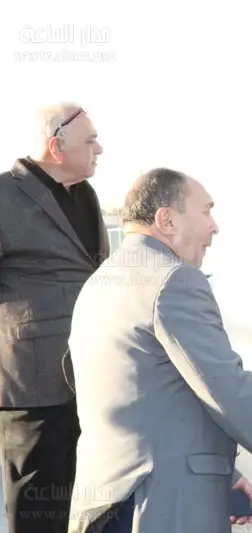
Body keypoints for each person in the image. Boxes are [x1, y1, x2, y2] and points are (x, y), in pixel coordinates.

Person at [66, 168, 252, 533]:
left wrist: (223, 472)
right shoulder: (174, 280)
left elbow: (149, 393)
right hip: (159, 504)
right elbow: (228, 388)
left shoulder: (99, 282)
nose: (214, 227)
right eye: (206, 211)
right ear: (167, 220)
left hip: (111, 502)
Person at [0, 102, 106, 533]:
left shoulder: (86, 195)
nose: (100, 148)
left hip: (90, 378)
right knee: (37, 510)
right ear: (57, 147)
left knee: (83, 504)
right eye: (91, 140)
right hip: (33, 384)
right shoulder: (4, 195)